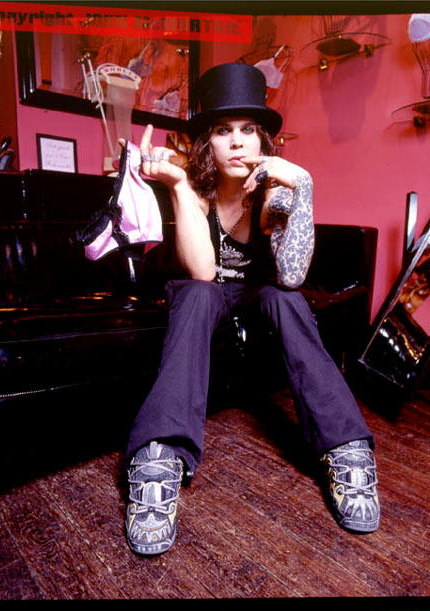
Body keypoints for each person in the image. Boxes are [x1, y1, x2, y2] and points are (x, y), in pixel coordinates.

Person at [124, 63, 380, 556]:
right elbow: (203, 272)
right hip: (207, 293)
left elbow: (292, 275)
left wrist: (303, 189)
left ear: (263, 140)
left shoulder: (273, 191)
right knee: (196, 293)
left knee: (286, 299)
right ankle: (158, 456)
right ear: (208, 142)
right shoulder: (195, 189)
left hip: (258, 294)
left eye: (247, 130)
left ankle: (345, 448)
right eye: (223, 131)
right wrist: (178, 186)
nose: (237, 143)